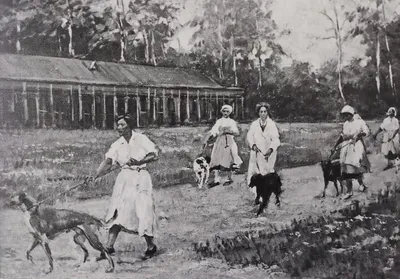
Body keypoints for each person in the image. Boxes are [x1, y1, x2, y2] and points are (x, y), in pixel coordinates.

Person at [93, 114, 159, 261]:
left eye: (122, 125)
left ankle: (150, 246)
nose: (119, 128)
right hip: (124, 179)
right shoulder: (118, 144)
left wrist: (140, 161)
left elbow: (154, 155)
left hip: (141, 177)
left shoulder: (141, 139)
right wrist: (95, 175)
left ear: (130, 126)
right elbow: (108, 161)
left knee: (143, 210)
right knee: (118, 209)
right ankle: (109, 247)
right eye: (118, 125)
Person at [332, 105, 370, 199]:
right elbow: (342, 136)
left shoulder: (359, 122)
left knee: (355, 166)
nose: (345, 117)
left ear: (350, 114)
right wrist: (335, 146)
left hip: (356, 146)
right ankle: (349, 191)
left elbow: (366, 131)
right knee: (345, 167)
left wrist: (358, 135)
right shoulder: (345, 124)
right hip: (346, 147)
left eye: (346, 115)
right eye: (343, 115)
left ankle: (361, 184)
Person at [246, 102, 280, 196]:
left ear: (267, 112)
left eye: (265, 111)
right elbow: (249, 136)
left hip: (269, 152)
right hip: (257, 152)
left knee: (267, 172)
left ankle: (267, 192)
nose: (263, 114)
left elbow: (276, 139)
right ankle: (257, 194)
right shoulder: (254, 124)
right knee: (256, 173)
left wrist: (271, 149)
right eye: (261, 112)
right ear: (258, 113)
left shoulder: (272, 124)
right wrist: (253, 145)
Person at [208, 104, 243, 187]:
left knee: (229, 158)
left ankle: (229, 178)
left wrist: (228, 131)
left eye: (227, 111)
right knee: (216, 158)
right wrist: (214, 134)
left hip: (229, 141)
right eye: (224, 111)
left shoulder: (232, 122)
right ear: (222, 112)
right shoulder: (219, 121)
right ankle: (217, 179)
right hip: (220, 141)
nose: (225, 113)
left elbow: (237, 132)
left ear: (229, 113)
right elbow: (214, 131)